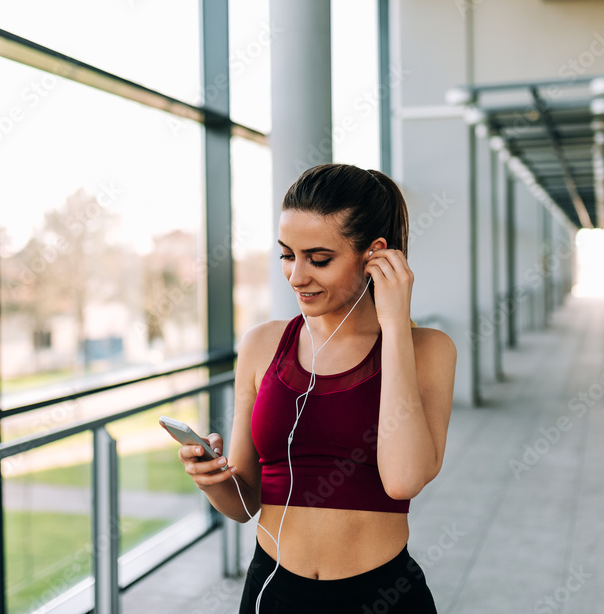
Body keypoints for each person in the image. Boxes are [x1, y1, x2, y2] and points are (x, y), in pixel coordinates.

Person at [177, 163, 457, 613]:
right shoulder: (263, 345)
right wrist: (212, 481)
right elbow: (246, 503)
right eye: (287, 254)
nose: (296, 276)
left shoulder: (428, 349)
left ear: (375, 255)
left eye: (319, 259)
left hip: (381, 595)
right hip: (273, 589)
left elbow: (403, 480)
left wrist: (393, 326)